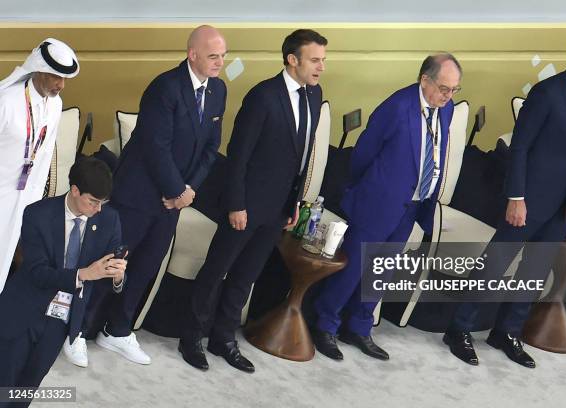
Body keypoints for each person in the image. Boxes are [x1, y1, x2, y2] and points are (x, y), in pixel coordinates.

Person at [445, 28, 566, 369]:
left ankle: (507, 331)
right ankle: (458, 328)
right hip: (529, 198)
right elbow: (520, 146)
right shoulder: (547, 92)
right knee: (495, 262)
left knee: (534, 269)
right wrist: (516, 196)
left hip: (565, 203)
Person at [179, 29, 327, 373]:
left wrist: (294, 204)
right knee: (216, 271)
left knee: (246, 276)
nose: (321, 67)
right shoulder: (263, 96)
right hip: (244, 205)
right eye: (315, 59)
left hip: (278, 209)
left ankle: (223, 338)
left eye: (323, 60)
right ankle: (192, 337)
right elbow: (238, 156)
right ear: (293, 59)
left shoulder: (315, 95)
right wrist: (236, 204)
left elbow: (299, 156)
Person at [82, 25, 228, 366]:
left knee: (145, 268)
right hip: (138, 195)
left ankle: (117, 331)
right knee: (111, 264)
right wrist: (177, 191)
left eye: (223, 56)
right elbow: (155, 147)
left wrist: (187, 191)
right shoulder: (165, 88)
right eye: (212, 56)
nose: (220, 62)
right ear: (192, 54)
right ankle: (78, 329)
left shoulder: (218, 90)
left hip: (172, 203)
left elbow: (211, 148)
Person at [312, 54, 462, 361]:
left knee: (383, 269)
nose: (449, 96)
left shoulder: (445, 110)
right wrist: (365, 190)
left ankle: (359, 327)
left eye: (454, 90)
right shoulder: (396, 107)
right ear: (425, 80)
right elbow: (364, 154)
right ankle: (325, 324)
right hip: (378, 201)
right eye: (444, 88)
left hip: (413, 203)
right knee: (353, 267)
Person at [0, 157, 126, 404]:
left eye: (103, 202)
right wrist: (82, 275)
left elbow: (110, 270)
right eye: (93, 202)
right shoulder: (38, 214)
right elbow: (36, 272)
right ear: (75, 190)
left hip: (62, 319)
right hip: (24, 312)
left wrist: (118, 274)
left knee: (27, 388)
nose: (98, 209)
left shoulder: (109, 220)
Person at [0, 38, 79, 293]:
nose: (61, 85)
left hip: (26, 198)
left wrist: (38, 204)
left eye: (65, 79)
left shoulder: (54, 105)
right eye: (56, 77)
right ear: (40, 70)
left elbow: (43, 157)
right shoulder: (6, 102)